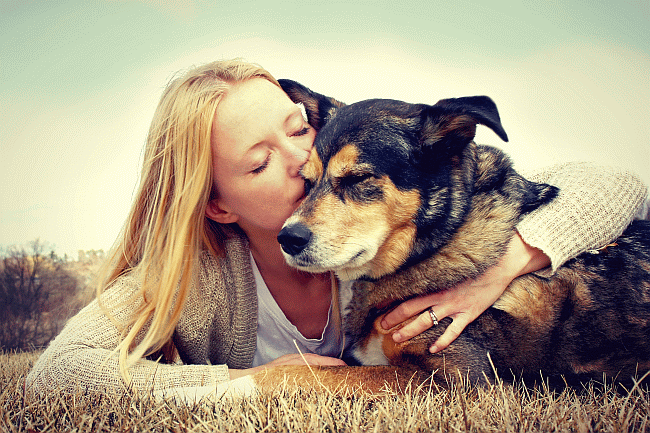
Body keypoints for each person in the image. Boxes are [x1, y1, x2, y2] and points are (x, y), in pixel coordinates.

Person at [26, 59, 648, 398]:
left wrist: (510, 264)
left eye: (298, 130)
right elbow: (59, 376)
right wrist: (257, 383)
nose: (303, 160)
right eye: (259, 161)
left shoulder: (386, 240)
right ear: (218, 205)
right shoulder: (201, 279)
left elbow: (615, 187)